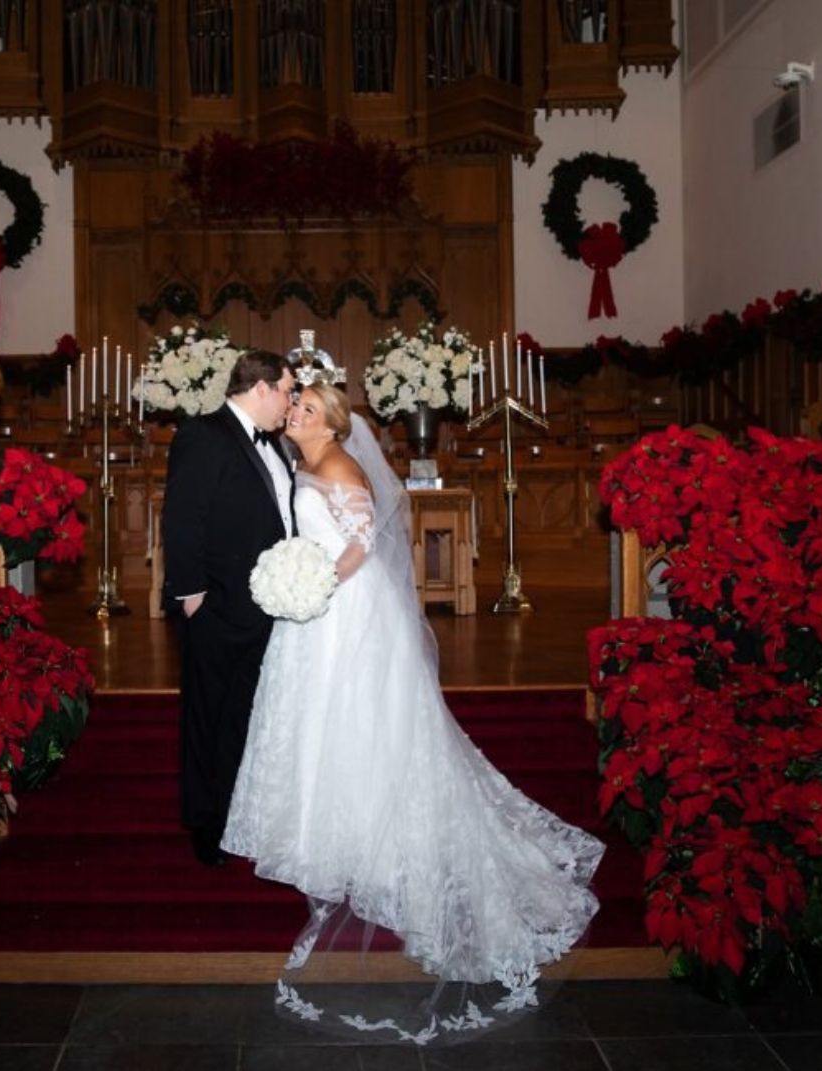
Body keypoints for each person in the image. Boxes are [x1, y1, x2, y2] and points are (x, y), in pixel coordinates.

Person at [223, 374, 605, 1043]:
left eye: (307, 408)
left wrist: (312, 582)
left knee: (364, 723)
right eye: (296, 404)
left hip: (346, 611)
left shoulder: (338, 463)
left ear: (333, 424)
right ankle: (320, 827)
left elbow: (363, 542)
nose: (296, 412)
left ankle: (369, 834)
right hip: (314, 612)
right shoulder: (299, 460)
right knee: (317, 723)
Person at [162, 350, 297, 867]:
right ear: (260, 387)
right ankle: (205, 824)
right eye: (286, 390)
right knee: (207, 719)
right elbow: (182, 517)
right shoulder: (203, 434)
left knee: (245, 720)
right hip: (217, 608)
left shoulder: (276, 445)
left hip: (265, 609)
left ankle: (241, 816)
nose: (290, 402)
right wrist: (193, 597)